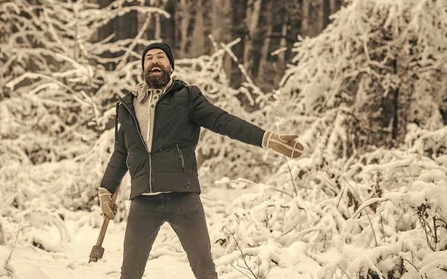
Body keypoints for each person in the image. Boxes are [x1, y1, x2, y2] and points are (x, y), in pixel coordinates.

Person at [98, 42, 304, 279]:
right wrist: (106, 189)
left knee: (205, 270)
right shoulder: (128, 106)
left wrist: (266, 138)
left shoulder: (187, 97)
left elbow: (224, 121)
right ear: (143, 68)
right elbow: (122, 152)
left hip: (183, 198)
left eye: (161, 57)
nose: (154, 61)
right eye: (149, 58)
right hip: (143, 202)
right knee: (129, 274)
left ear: (170, 66)